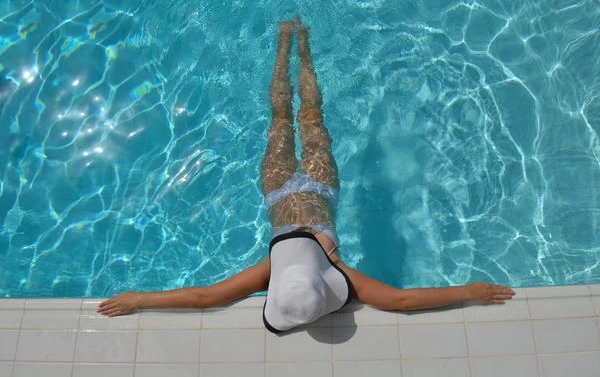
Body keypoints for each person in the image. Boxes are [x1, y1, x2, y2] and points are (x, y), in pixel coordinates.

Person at [98, 18, 515, 332]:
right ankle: (294, 45)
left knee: (297, 118)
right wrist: (137, 299)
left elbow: (403, 301)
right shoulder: (284, 271)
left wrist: (140, 299)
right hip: (280, 192)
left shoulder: (333, 274)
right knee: (288, 118)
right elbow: (401, 301)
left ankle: (293, 46)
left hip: (313, 190)